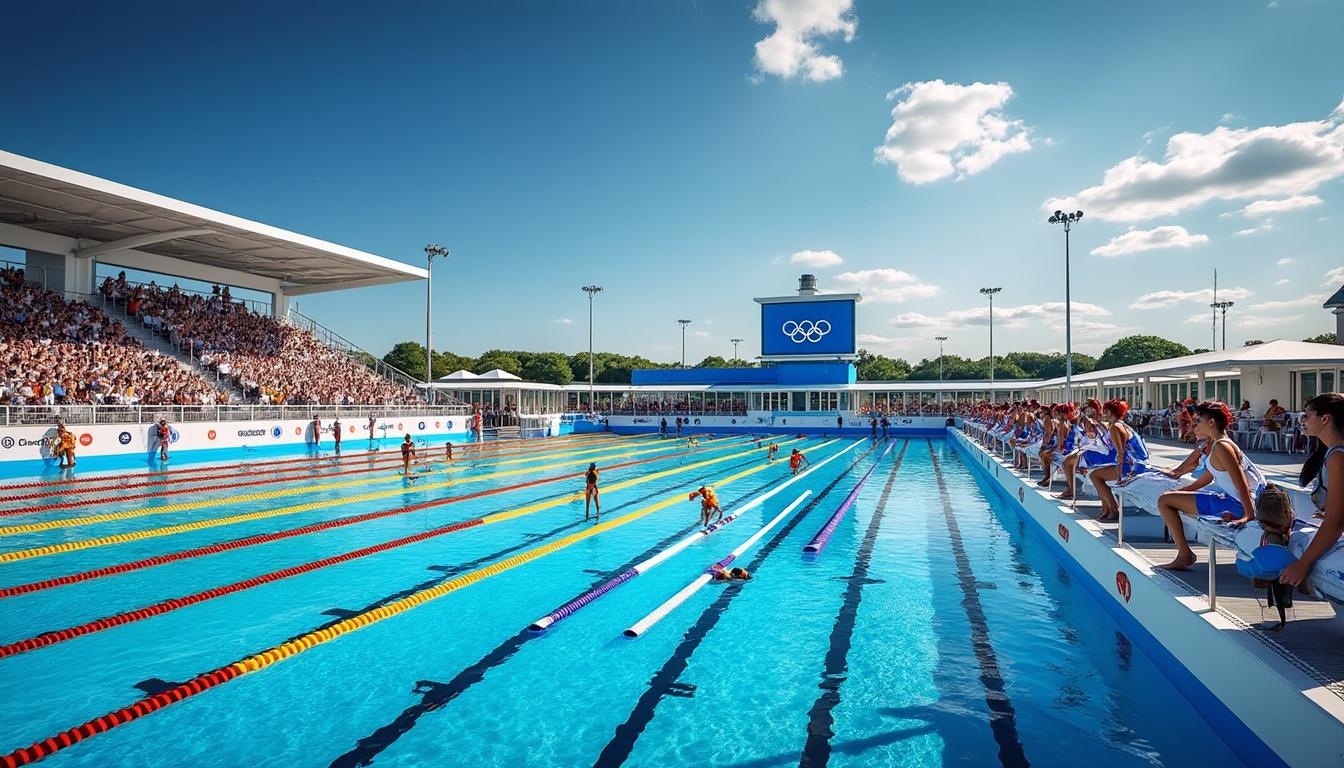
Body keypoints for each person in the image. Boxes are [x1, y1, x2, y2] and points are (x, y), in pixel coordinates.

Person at [1155, 401, 1266, 570]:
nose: (1194, 426)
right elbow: (1206, 478)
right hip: (1238, 501)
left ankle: (1184, 555)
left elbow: (1241, 482)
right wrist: (1179, 492)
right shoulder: (1218, 444)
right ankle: (1184, 554)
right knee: (1167, 499)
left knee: (1164, 502)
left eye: (1198, 421)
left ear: (1211, 422)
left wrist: (1249, 516)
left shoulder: (1222, 446)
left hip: (1239, 505)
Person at [1280, 393, 1344, 587]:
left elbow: (1336, 523)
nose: (1302, 421)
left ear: (1325, 419)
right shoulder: (1332, 452)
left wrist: (1303, 564)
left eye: (1306, 415)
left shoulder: (1337, 457)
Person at [1087, 400, 1151, 522]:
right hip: (1137, 464)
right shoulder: (1121, 425)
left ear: (1109, 412)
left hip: (1134, 467)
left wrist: (1119, 476)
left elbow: (1121, 453)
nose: (1103, 414)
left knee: (1095, 476)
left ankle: (1114, 509)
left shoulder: (1115, 427)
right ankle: (1106, 508)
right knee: (1097, 472)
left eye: (1105, 411)